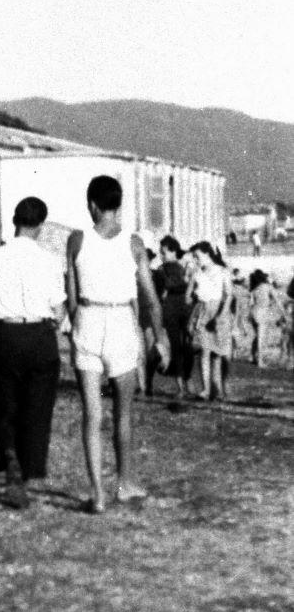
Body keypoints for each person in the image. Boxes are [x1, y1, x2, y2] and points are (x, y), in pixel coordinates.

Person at [66, 175, 169, 514]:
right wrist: (160, 337)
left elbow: (71, 296)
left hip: (88, 317)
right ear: (117, 205)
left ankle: (97, 493)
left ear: (92, 205)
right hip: (121, 320)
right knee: (123, 413)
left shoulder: (77, 240)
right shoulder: (134, 243)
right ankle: (124, 484)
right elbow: (151, 299)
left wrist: (78, 325)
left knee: (91, 414)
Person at [0, 196, 66, 509]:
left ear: (15, 221)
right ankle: (25, 474)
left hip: (5, 334)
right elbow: (59, 310)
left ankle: (10, 452)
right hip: (39, 335)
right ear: (41, 226)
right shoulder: (50, 260)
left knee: (3, 403)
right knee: (37, 408)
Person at [186, 242, 232, 401]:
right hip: (202, 311)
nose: (195, 260)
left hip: (219, 312)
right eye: (194, 257)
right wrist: (194, 300)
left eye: (197, 256)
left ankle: (218, 389)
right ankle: (206, 390)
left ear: (207, 254)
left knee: (218, 354)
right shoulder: (197, 273)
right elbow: (188, 297)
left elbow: (229, 295)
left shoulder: (222, 271)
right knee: (204, 351)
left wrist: (220, 315)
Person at [151, 235, 192, 397]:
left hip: (182, 308)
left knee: (186, 347)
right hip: (172, 309)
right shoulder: (165, 270)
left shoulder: (181, 267)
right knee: (177, 347)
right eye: (161, 252)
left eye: (164, 252)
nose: (161, 255)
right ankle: (182, 386)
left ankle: (186, 383)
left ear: (174, 251)